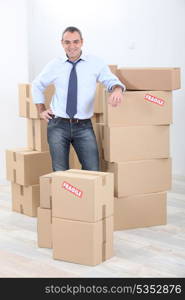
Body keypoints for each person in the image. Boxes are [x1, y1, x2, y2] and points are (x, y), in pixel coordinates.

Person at [31, 26, 126, 171]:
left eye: (75, 42)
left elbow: (110, 80)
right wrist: (41, 109)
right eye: (67, 42)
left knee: (93, 170)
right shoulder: (55, 64)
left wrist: (117, 89)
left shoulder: (95, 63)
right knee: (60, 172)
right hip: (57, 125)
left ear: (82, 42)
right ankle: (63, 194)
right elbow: (37, 84)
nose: (72, 46)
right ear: (62, 43)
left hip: (83, 126)